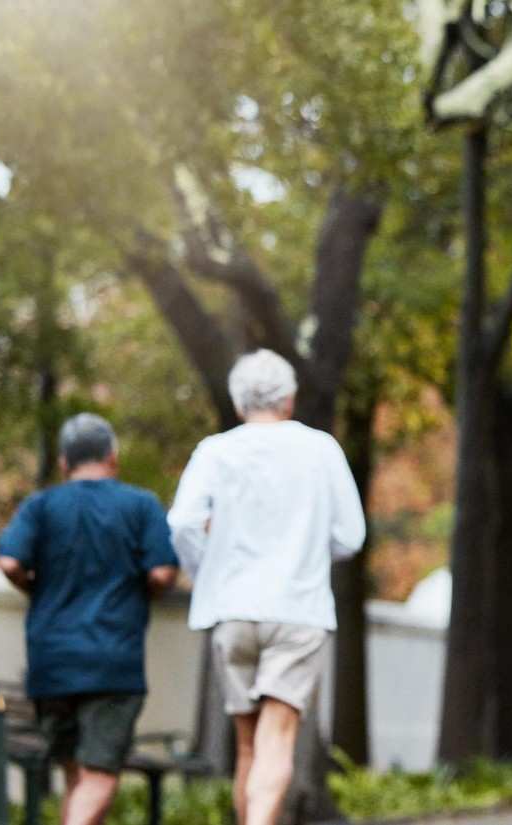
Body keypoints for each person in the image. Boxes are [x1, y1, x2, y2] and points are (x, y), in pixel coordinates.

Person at [167, 349, 365, 825]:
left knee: (248, 748)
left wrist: (205, 569)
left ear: (239, 404)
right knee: (278, 742)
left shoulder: (214, 451)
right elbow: (350, 537)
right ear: (289, 399)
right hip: (297, 611)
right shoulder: (321, 448)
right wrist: (310, 552)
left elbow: (182, 523)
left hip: (231, 609)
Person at [0, 413, 179, 825]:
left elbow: (9, 562)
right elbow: (162, 572)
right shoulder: (140, 505)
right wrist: (144, 592)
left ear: (64, 463)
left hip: (51, 664)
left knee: (77, 776)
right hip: (111, 663)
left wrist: (33, 587)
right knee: (99, 779)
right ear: (112, 458)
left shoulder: (41, 506)